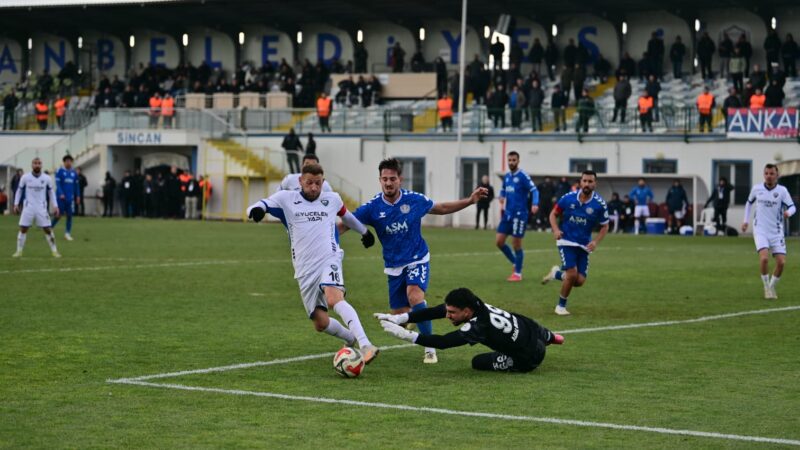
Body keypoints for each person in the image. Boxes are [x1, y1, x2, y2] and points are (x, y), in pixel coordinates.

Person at [349, 158, 488, 364]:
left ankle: (429, 348)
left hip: (417, 258)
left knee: (415, 296)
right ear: (380, 180)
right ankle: (415, 317)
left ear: (400, 179)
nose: (388, 183)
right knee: (399, 316)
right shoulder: (372, 207)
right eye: (385, 179)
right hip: (393, 265)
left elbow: (440, 207)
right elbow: (346, 221)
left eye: (392, 179)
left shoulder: (413, 199)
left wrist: (469, 200)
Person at [246, 163, 380, 362]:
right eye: (309, 183)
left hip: (330, 258)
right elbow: (260, 204)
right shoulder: (286, 199)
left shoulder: (332, 199)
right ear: (300, 181)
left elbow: (347, 216)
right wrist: (256, 211)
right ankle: (350, 337)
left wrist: (364, 232)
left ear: (323, 182)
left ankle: (366, 344)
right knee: (320, 322)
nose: (314, 188)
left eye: (318, 183)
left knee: (334, 298)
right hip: (304, 268)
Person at [375, 287, 564, 373]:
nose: (448, 316)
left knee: (477, 362)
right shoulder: (474, 303)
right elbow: (435, 311)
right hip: (530, 329)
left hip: (529, 358)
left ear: (466, 312)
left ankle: (539, 346)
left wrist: (405, 335)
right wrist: (399, 317)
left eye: (452, 313)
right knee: (518, 323)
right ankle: (550, 336)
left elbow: (444, 343)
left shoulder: (477, 326)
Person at [541, 170, 609, 315]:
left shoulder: (599, 204)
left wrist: (596, 242)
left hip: (584, 245)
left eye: (590, 181)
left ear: (595, 184)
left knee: (579, 281)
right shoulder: (568, 198)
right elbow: (553, 214)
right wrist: (555, 230)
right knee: (572, 274)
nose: (587, 184)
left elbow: (605, 226)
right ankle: (560, 307)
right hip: (566, 241)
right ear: (580, 182)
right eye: (584, 181)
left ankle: (556, 274)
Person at [741, 164, 796, 299]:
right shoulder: (757, 189)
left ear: (777, 176)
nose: (768, 176)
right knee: (764, 258)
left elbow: (792, 206)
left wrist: (788, 213)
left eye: (771, 174)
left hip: (776, 231)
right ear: (764, 174)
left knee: (781, 263)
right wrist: (745, 220)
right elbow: (749, 203)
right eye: (766, 173)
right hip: (760, 229)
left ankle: (771, 287)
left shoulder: (782, 191)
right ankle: (766, 287)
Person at [496, 151, 539, 282]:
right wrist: (502, 195)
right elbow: (503, 188)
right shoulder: (507, 176)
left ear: (518, 161)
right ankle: (516, 262)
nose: (511, 162)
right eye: (509, 160)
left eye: (514, 160)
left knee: (516, 245)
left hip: (519, 215)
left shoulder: (523, 176)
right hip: (508, 215)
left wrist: (535, 203)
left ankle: (518, 274)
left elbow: (534, 190)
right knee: (499, 242)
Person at [12, 157, 61, 258]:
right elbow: (19, 190)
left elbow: (51, 193)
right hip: (28, 207)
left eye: (39, 163)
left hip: (41, 208)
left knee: (48, 229)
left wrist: (55, 206)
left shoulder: (46, 178)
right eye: (35, 163)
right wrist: (16, 204)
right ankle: (19, 251)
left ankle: (54, 251)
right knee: (23, 229)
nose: (37, 165)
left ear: (41, 165)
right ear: (32, 165)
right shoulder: (25, 177)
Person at [51, 155, 79, 240]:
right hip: (61, 198)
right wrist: (61, 193)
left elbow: (76, 186)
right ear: (64, 162)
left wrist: (78, 195)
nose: (68, 162)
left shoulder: (74, 173)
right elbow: (58, 184)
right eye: (67, 161)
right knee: (58, 215)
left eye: (70, 161)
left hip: (70, 199)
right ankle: (49, 229)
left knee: (70, 216)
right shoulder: (60, 171)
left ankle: (67, 234)